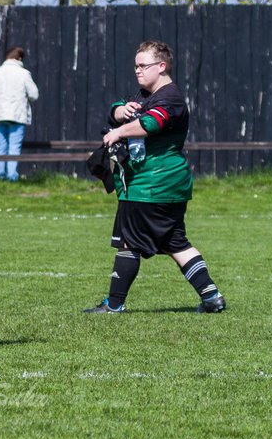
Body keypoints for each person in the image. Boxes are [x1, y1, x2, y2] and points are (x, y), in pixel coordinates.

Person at [83, 41, 226, 314]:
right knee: (176, 243)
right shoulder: (146, 94)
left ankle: (113, 305)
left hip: (151, 184)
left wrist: (120, 131)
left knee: (129, 242)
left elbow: (151, 123)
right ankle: (212, 298)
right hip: (166, 184)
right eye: (135, 65)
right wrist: (119, 112)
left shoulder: (169, 97)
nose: (137, 70)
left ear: (161, 66)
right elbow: (117, 106)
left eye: (143, 65)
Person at [0, 46, 39, 181]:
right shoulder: (23, 73)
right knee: (14, 147)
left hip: (0, 114)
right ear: (19, 58)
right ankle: (12, 177)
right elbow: (34, 94)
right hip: (17, 114)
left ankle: (0, 177)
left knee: (1, 146)